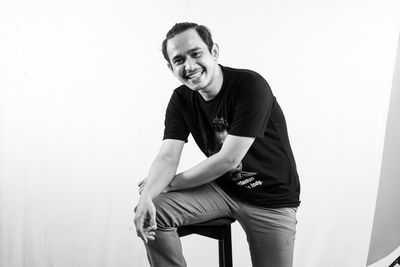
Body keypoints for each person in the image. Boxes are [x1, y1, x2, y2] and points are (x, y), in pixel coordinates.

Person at [134, 22, 300, 267]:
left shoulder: (250, 86)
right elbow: (168, 155)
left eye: (195, 53)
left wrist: (169, 183)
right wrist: (148, 195)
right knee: (154, 211)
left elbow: (229, 159)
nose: (189, 66)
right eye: (179, 60)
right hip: (223, 190)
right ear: (171, 68)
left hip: (271, 200)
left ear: (214, 52)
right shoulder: (181, 99)